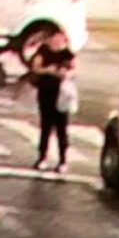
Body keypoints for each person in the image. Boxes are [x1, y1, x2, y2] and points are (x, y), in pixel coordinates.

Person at [29, 31, 76, 173]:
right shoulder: (43, 50)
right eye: (54, 38)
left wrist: (65, 73)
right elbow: (36, 67)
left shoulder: (68, 54)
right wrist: (48, 70)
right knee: (46, 126)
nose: (56, 41)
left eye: (59, 39)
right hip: (46, 92)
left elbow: (74, 69)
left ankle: (63, 160)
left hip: (62, 94)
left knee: (62, 128)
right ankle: (42, 157)